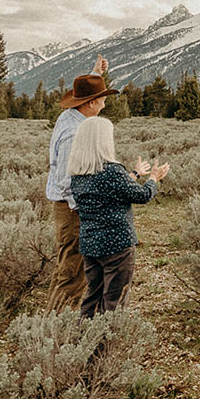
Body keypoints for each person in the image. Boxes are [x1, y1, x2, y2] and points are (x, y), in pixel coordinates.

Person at [66, 115, 169, 317]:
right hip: (117, 245)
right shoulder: (112, 170)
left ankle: (81, 341)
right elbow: (142, 195)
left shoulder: (77, 173)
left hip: (90, 243)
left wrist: (135, 174)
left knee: (92, 297)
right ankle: (104, 346)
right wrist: (154, 178)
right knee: (114, 301)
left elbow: (110, 191)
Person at [45, 56, 115, 311]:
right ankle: (56, 330)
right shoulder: (74, 133)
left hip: (70, 206)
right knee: (72, 270)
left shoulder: (71, 116)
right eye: (102, 97)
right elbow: (65, 181)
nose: (105, 101)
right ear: (92, 103)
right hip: (71, 208)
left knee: (70, 266)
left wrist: (95, 72)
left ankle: (55, 321)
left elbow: (83, 93)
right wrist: (86, 209)